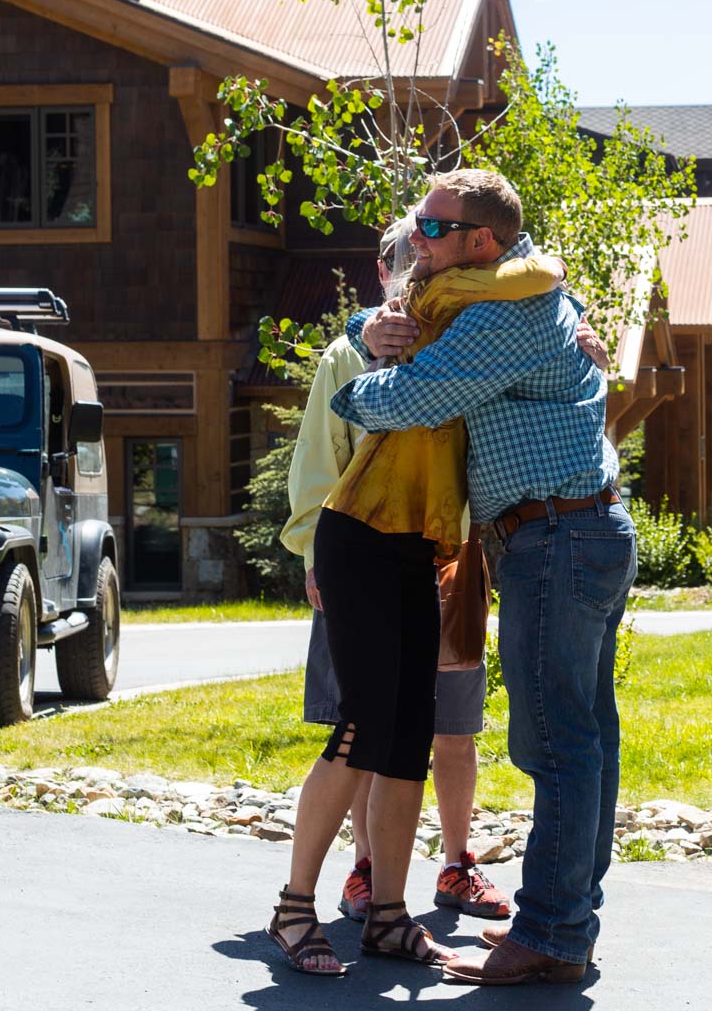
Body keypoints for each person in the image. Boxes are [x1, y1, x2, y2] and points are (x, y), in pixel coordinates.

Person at [334, 169, 637, 987]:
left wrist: (351, 390)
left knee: (556, 743)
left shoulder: (506, 309)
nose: (416, 239)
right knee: (586, 739)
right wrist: (371, 323)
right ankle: (569, 927)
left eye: (431, 229)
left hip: (556, 537)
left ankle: (549, 935)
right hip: (580, 530)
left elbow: (414, 398)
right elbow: (416, 319)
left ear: (480, 241)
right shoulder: (516, 289)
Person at [266, 213, 572, 978]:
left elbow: (537, 276)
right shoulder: (400, 323)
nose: (428, 253)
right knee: (362, 729)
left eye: (440, 237)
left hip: (426, 549)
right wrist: (373, 325)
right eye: (420, 244)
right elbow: (538, 271)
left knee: (409, 735)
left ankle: (390, 917)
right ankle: (293, 910)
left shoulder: (470, 329)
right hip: (359, 536)